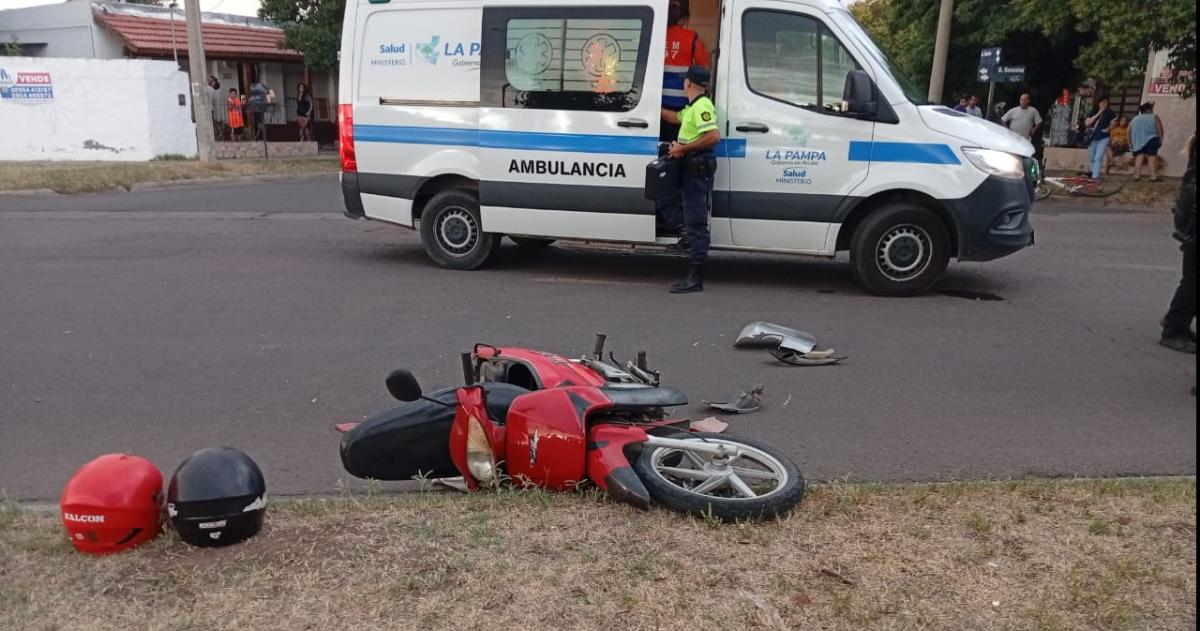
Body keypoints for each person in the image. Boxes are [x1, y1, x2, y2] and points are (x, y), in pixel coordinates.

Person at [659, 66, 720, 294]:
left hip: (696, 167)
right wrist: (650, 107)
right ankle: (687, 238)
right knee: (666, 202)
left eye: (684, 81)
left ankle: (696, 276)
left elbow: (713, 136)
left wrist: (684, 147)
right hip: (687, 166)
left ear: (688, 84)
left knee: (696, 221)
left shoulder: (703, 106)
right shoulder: (693, 107)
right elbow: (675, 117)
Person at [1160, 132, 1196, 358]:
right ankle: (1174, 330)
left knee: (1191, 280)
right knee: (1193, 282)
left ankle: (1176, 322)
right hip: (1193, 229)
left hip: (1190, 227)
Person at [661, 0, 710, 142]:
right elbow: (704, 71)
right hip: (682, 106)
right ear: (683, 19)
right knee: (678, 148)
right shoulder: (692, 38)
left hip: (656, 105)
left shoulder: (656, 35)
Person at [1130, 102, 1166, 181]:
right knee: (1151, 159)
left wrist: (1131, 143)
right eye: (1151, 109)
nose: (1153, 110)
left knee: (1139, 159)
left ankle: (1137, 176)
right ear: (1148, 110)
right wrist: (1160, 140)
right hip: (1152, 140)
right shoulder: (1154, 117)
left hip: (1138, 142)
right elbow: (1160, 129)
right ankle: (1152, 177)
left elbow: (1130, 131)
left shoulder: (1134, 119)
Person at [1083, 96, 1116, 180]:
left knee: (1098, 157)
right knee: (1092, 157)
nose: (1105, 104)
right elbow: (1087, 123)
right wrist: (1098, 113)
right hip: (1092, 137)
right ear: (1098, 103)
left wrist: (1108, 129)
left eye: (1106, 102)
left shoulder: (1110, 112)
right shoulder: (1093, 112)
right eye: (1103, 102)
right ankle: (1091, 172)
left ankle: (1095, 176)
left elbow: (1114, 123)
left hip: (1103, 137)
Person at [248, 73, 270, 140]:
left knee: (260, 121)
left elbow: (267, 92)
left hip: (258, 105)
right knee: (259, 121)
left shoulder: (258, 87)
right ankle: (258, 135)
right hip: (257, 105)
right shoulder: (255, 86)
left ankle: (261, 136)